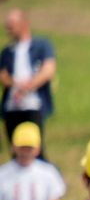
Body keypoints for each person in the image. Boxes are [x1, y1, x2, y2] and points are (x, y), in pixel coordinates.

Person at [1, 10, 55, 144]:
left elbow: (48, 69)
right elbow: (2, 75)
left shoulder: (41, 45)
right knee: (14, 145)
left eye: (11, 26)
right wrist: (15, 85)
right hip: (12, 106)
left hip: (33, 104)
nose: (9, 31)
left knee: (33, 145)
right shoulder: (7, 51)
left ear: (23, 24)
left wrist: (28, 86)